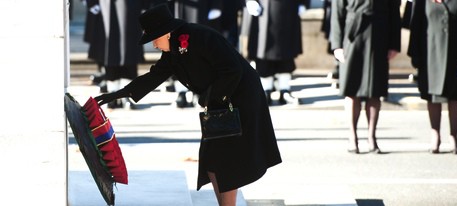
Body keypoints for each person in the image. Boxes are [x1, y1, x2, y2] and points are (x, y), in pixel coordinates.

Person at [95, 4, 282, 205]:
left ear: (165, 33)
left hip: (240, 98)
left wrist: (209, 97)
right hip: (218, 102)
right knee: (212, 158)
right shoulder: (173, 49)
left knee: (228, 160)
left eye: (154, 39)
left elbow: (232, 69)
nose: (154, 46)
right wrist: (118, 94)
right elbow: (154, 77)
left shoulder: (201, 36)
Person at [329, 0, 401, 153]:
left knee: (375, 91)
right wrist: (336, 45)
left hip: (379, 37)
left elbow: (394, 11)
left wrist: (394, 43)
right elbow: (336, 12)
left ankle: (371, 137)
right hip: (352, 37)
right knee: (351, 90)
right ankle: (352, 136)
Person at [408, 0, 457, 154]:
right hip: (431, 53)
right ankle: (435, 135)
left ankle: (453, 136)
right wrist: (414, 53)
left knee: (456, 96)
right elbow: (416, 25)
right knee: (433, 97)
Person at [244, 0, 309, 105]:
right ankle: (266, 90)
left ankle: (285, 89)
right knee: (263, 52)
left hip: (289, 9)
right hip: (263, 8)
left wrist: (304, 3)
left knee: (286, 51)